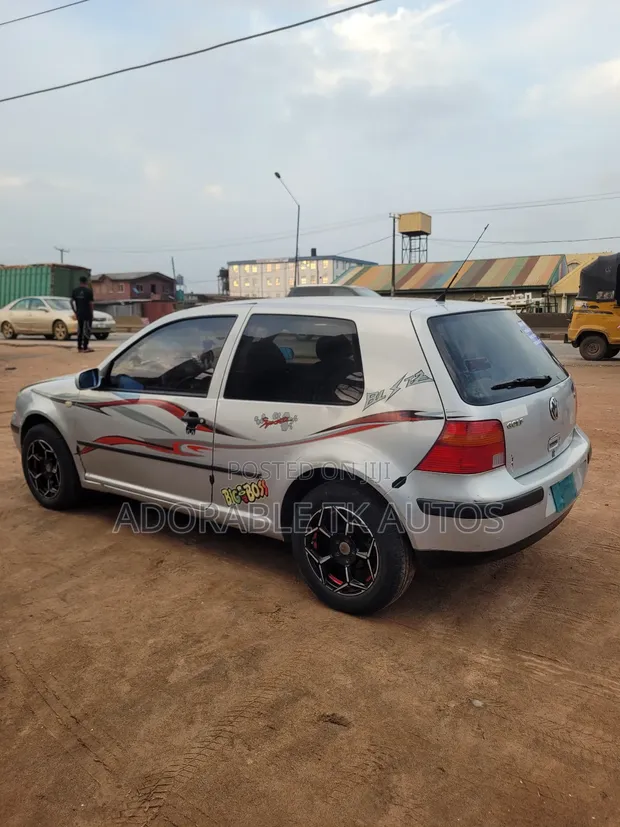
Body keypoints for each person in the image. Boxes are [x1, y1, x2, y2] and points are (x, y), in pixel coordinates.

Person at [70, 275, 94, 353]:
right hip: (87, 313)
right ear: (86, 282)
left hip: (79, 313)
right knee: (86, 330)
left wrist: (75, 312)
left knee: (80, 330)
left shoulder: (75, 291)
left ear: (80, 282)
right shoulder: (89, 291)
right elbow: (91, 304)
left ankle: (79, 347)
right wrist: (91, 313)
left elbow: (71, 302)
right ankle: (85, 347)